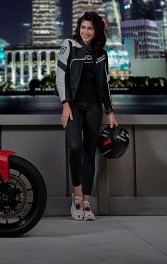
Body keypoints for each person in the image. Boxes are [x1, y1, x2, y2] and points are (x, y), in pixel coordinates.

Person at [55, 11, 119, 221]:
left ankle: (86, 202)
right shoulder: (69, 45)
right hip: (74, 106)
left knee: (90, 153)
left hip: (94, 107)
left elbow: (105, 83)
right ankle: (77, 197)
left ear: (96, 31)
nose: (86, 31)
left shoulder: (102, 54)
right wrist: (65, 104)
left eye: (90, 28)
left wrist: (110, 111)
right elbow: (60, 75)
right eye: (83, 27)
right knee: (75, 146)